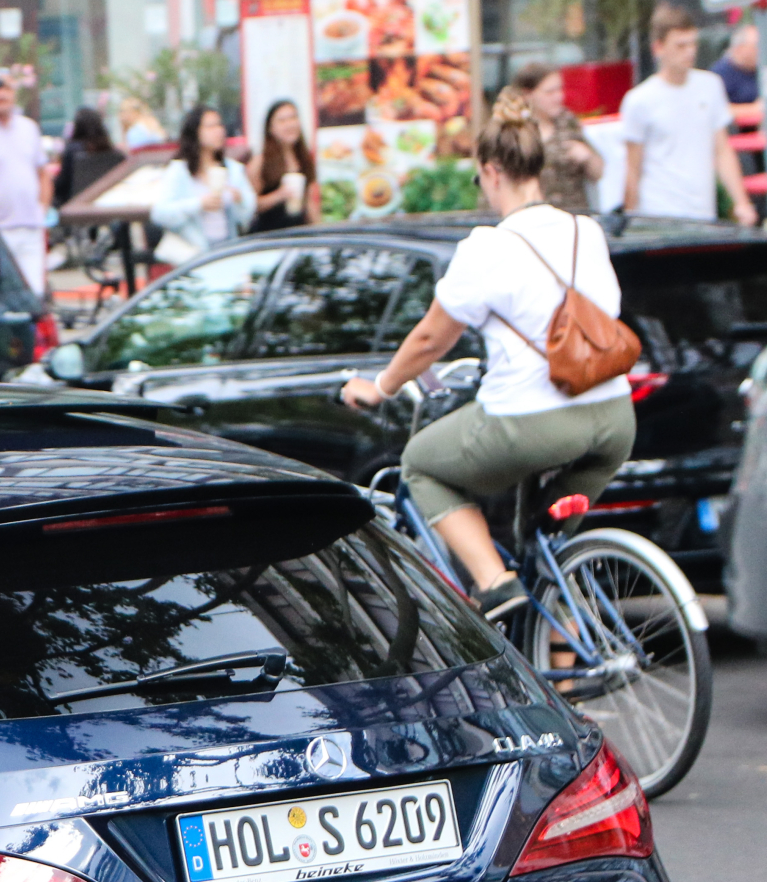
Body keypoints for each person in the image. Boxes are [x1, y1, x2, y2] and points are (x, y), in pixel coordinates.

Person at [339, 90, 635, 622]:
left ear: (492, 170)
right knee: (545, 553)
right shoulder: (585, 231)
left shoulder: (487, 247)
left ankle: (495, 586)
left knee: (422, 466)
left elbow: (431, 340)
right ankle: (567, 660)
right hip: (615, 421)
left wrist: (379, 386)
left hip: (533, 422)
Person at [622, 5, 755, 225]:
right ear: (659, 48)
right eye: (680, 46)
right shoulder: (639, 100)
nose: (690, 52)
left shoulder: (710, 86)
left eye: (693, 44)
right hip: (659, 212)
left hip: (702, 211)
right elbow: (633, 167)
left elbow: (722, 150)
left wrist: (741, 202)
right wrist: (631, 217)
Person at [0, 78, 55, 294]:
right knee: (2, 293)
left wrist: (42, 210)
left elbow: (42, 174)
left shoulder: (28, 127)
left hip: (30, 226)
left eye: (6, 89)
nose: (0, 95)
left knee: (34, 294)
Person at [148, 104, 253, 260]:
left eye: (220, 125)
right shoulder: (179, 171)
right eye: (210, 127)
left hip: (227, 250)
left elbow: (246, 215)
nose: (218, 131)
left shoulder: (232, 169)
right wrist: (199, 204)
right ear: (195, 132)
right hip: (193, 254)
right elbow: (160, 213)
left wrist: (238, 199)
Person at [514, 62, 604, 213]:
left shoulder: (568, 123)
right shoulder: (514, 132)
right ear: (528, 95)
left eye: (560, 89)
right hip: (534, 219)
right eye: (549, 92)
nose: (559, 97)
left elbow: (598, 172)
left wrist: (587, 157)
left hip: (573, 217)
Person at [246, 99, 319, 232]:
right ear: (270, 128)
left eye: (293, 118)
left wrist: (319, 231)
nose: (289, 125)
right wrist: (280, 195)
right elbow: (250, 204)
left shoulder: (303, 158)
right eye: (282, 121)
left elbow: (309, 202)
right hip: (268, 236)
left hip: (298, 232)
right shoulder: (260, 161)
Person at [55, 106, 119, 205]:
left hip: (75, 204)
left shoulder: (72, 150)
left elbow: (63, 184)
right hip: (106, 202)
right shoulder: (111, 151)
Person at [711, 18, 760, 105]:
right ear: (740, 48)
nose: (761, 51)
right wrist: (753, 109)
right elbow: (716, 109)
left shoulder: (761, 70)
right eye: (756, 46)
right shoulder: (720, 75)